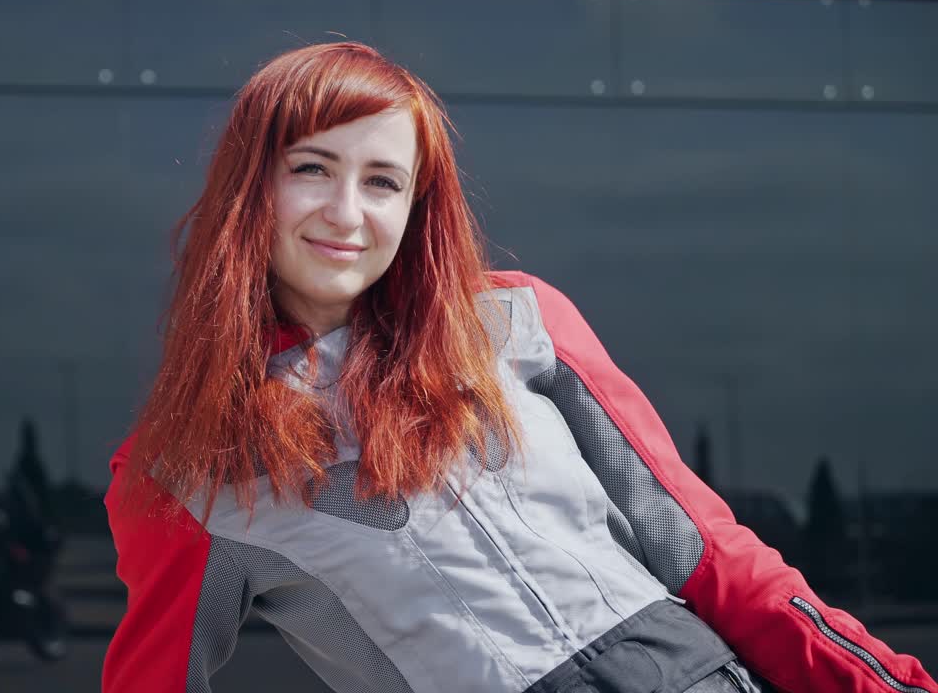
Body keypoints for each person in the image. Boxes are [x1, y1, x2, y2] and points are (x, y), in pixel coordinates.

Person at [102, 42, 935, 693]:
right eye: (311, 168)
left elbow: (705, 550)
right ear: (251, 185)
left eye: (384, 181)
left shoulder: (514, 322)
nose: (347, 213)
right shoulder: (185, 472)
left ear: (415, 208)